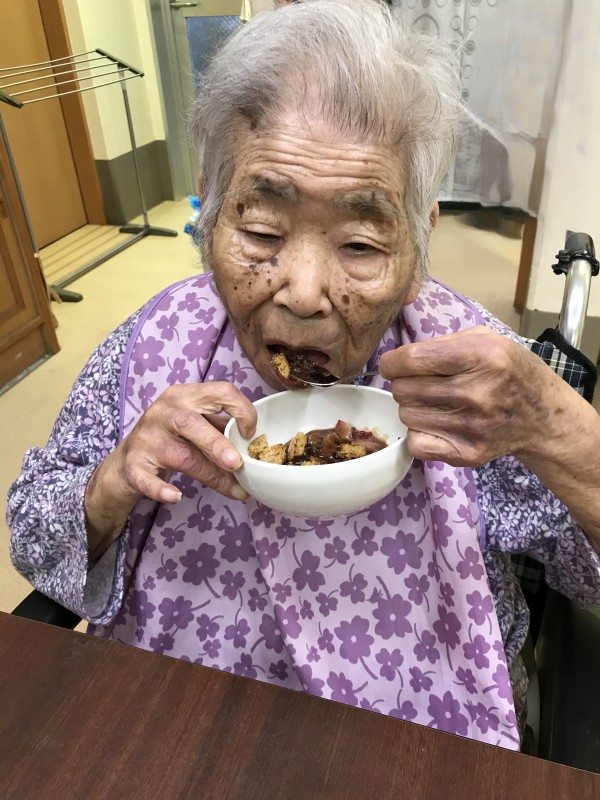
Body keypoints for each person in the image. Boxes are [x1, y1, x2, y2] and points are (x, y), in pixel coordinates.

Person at [7, 0, 600, 750]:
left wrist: (556, 426)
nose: (304, 292)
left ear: (419, 242)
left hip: (416, 742)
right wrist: (115, 479)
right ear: (210, 215)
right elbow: (35, 538)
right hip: (180, 720)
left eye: (361, 244)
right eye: (261, 230)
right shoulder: (154, 345)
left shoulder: (472, 368)